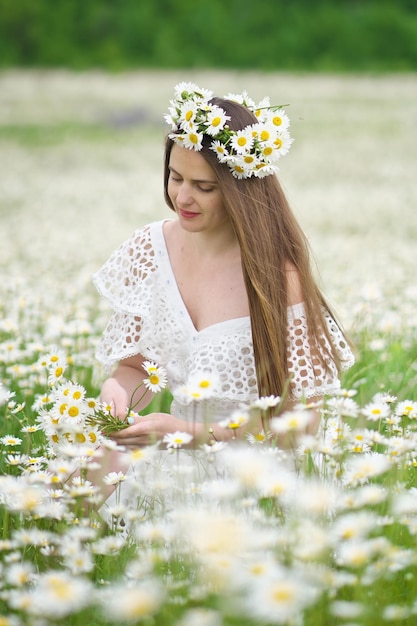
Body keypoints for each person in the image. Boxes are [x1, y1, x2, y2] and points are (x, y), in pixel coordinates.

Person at [93, 82, 354, 455]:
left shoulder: (279, 279)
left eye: (204, 187)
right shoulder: (150, 250)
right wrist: (116, 395)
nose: (182, 197)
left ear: (241, 191)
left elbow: (303, 424)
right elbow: (137, 366)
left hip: (255, 469)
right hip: (173, 463)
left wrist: (191, 433)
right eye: (175, 177)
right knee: (81, 475)